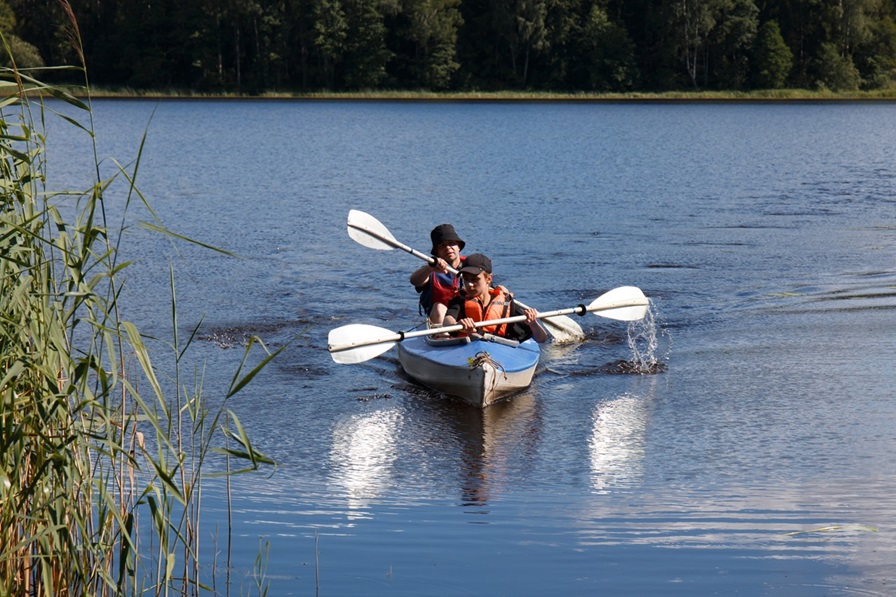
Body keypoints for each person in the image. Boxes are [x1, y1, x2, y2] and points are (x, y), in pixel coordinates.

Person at [442, 254, 547, 343]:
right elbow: (447, 321)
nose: (469, 284)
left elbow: (541, 339)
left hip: (498, 349)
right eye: (466, 279)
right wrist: (458, 325)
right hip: (467, 347)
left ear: (489, 279)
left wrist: (533, 323)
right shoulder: (459, 299)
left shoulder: (505, 302)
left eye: (475, 279)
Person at [409, 223, 466, 325]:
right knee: (439, 307)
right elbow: (415, 281)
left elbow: (486, 285)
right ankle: (443, 337)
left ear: (459, 246)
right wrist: (429, 269)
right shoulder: (431, 269)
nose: (448, 248)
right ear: (437, 252)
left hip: (464, 317)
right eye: (442, 246)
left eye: (451, 243)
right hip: (440, 318)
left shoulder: (471, 265)